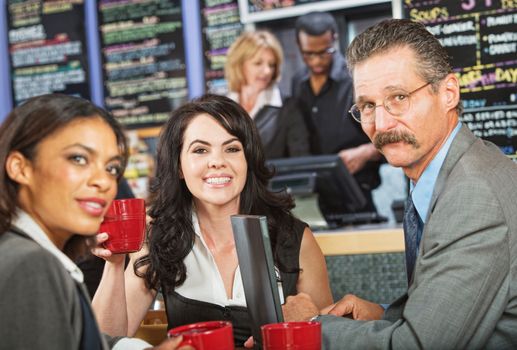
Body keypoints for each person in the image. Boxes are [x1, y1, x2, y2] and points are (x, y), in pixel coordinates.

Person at [282, 19, 517, 349]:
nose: (381, 123)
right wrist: (383, 316)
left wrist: (311, 325)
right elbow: (447, 310)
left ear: (448, 93)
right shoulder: (442, 171)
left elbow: (420, 345)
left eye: (399, 97)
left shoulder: (473, 195)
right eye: (367, 106)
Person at [91, 94, 333, 347]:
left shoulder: (295, 239)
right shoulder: (160, 237)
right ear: (179, 167)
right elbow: (103, 340)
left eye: (232, 149)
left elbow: (330, 338)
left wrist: (310, 320)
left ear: (248, 160)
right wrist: (115, 265)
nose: (217, 161)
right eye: (200, 150)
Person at [0, 94, 190, 349]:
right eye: (78, 159)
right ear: (19, 167)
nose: (103, 181)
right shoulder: (30, 263)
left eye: (111, 168)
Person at [291, 11, 382, 211]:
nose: (316, 61)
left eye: (324, 52)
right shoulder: (297, 83)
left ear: (335, 38)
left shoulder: (357, 79)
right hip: (312, 193)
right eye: (308, 54)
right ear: (298, 45)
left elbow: (388, 133)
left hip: (356, 192)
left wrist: (365, 152)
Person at [225, 30, 310, 159]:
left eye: (272, 65)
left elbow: (301, 163)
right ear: (239, 64)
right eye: (258, 63)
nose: (267, 71)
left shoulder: (288, 108)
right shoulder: (222, 107)